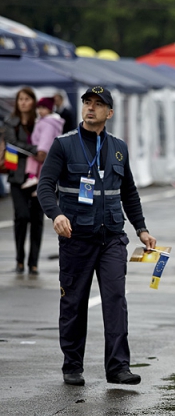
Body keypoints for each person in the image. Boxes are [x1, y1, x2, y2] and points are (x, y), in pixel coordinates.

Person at [37, 86, 156, 386]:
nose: (91, 108)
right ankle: (72, 365)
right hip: (76, 237)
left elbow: (128, 192)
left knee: (116, 299)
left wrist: (141, 229)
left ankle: (118, 367)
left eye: (98, 104)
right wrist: (57, 215)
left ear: (109, 113)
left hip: (112, 237)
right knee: (74, 303)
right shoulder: (63, 145)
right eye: (87, 102)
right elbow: (44, 186)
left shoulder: (118, 147)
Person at [3, 87, 45, 275]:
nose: (23, 102)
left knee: (37, 219)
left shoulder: (42, 122)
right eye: (20, 99)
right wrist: (35, 150)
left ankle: (33, 262)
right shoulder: (11, 122)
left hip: (38, 177)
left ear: (33, 102)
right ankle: (20, 258)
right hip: (18, 177)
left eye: (27, 99)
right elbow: (12, 144)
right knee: (22, 216)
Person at [24, 98, 64, 191]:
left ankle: (32, 177)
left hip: (42, 150)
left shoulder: (48, 122)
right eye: (39, 108)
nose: (40, 110)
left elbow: (46, 138)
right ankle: (39, 187)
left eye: (43, 108)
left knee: (33, 160)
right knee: (43, 169)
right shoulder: (45, 121)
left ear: (49, 109)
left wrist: (41, 150)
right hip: (47, 150)